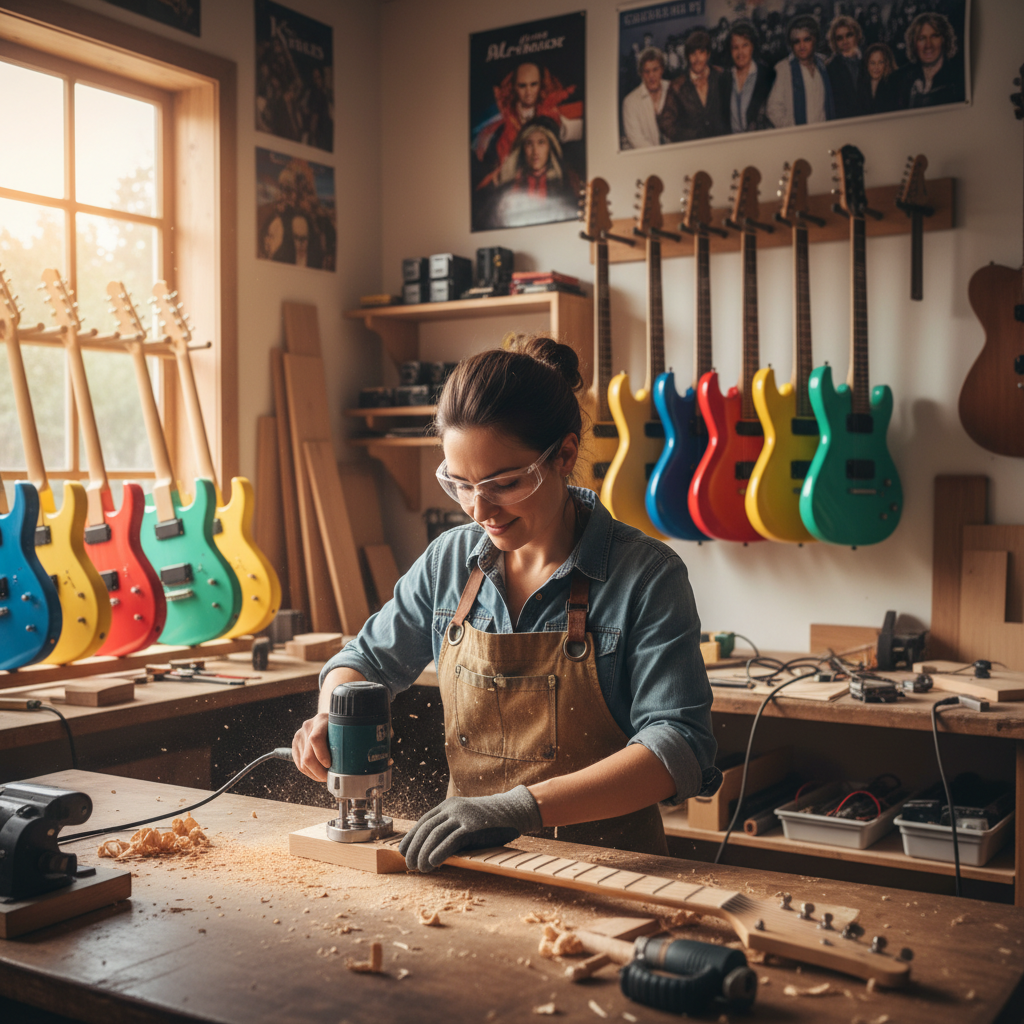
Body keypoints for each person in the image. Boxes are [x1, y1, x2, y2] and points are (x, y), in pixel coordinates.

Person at [292, 337, 720, 871]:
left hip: (611, 876)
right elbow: (365, 661)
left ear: (564, 455)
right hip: (467, 867)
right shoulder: (449, 561)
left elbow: (678, 746)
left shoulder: (646, 575)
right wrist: (334, 709)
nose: (479, 509)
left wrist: (520, 809)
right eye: (460, 485)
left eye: (504, 483)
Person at [472, 62, 583, 189]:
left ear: (541, 85)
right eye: (522, 86)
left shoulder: (553, 116)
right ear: (513, 87)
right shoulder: (501, 127)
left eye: (533, 84)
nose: (528, 92)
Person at [480, 117, 580, 229]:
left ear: (550, 147)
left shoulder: (567, 183)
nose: (535, 151)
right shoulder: (508, 187)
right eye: (529, 144)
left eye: (541, 143)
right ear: (522, 149)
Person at [657, 30, 729, 143]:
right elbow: (666, 122)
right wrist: (688, 138)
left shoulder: (721, 75)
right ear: (687, 56)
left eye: (701, 52)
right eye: (693, 53)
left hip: (723, 144)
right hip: (693, 150)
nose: (697, 58)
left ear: (708, 54)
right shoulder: (677, 85)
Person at [766, 14, 836, 128]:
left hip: (825, 135)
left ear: (815, 39)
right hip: (798, 138)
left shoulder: (824, 64)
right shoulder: (783, 68)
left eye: (806, 39)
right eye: (796, 41)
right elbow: (773, 109)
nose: (802, 46)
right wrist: (794, 129)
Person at [894, 12, 964, 110]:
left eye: (934, 36)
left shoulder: (957, 80)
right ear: (914, 44)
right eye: (922, 38)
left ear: (944, 39)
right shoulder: (902, 80)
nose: (928, 45)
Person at [724, 21, 776, 133]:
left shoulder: (766, 75)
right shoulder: (725, 79)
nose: (740, 52)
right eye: (735, 47)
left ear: (753, 46)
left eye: (745, 45)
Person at [621, 46, 669, 149]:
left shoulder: (673, 89)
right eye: (647, 71)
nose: (651, 76)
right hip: (647, 160)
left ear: (662, 69)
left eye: (655, 69)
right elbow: (636, 139)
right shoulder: (630, 102)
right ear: (641, 74)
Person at [825, 14, 864, 118]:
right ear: (835, 41)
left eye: (849, 35)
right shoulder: (831, 67)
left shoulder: (867, 60)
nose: (845, 41)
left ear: (856, 35)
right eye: (839, 38)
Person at [859, 41, 897, 114]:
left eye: (880, 62)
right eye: (872, 63)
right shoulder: (862, 86)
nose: (876, 67)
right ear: (867, 64)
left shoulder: (893, 86)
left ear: (887, 63)